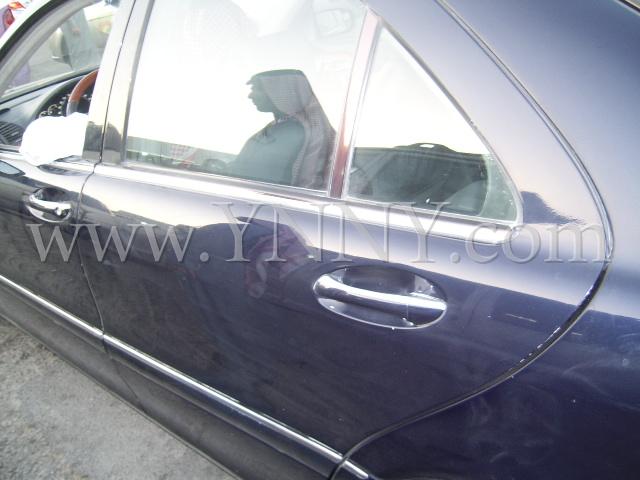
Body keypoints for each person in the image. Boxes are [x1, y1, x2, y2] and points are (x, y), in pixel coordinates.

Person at [230, 69, 335, 189]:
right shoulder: (286, 125)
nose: (250, 95)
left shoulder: (292, 131)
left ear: (280, 92)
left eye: (257, 89)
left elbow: (257, 175)